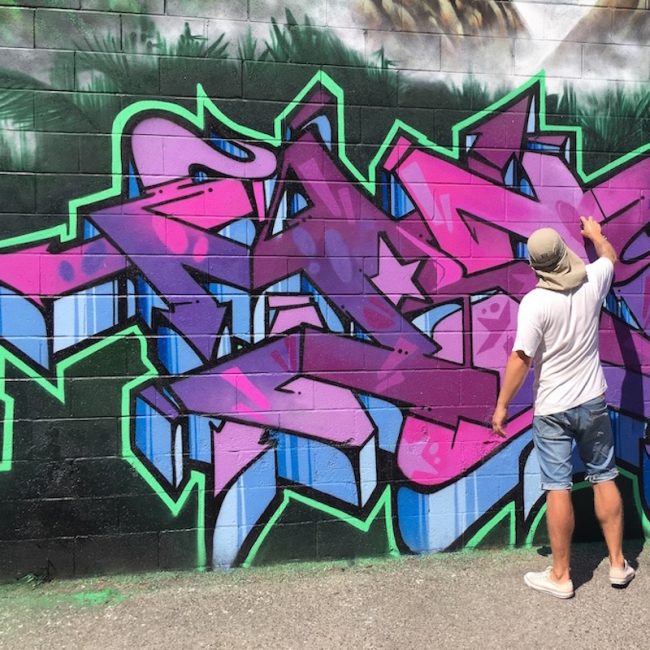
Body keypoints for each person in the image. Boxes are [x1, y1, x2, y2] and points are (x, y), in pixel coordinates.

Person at [491, 216, 635, 599]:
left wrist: (502, 406)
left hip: (552, 408)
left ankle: (561, 576)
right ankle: (618, 564)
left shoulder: (535, 303)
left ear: (535, 266)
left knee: (558, 488)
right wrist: (597, 235)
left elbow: (521, 358)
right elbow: (610, 258)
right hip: (592, 401)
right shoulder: (592, 279)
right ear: (564, 252)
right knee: (604, 476)